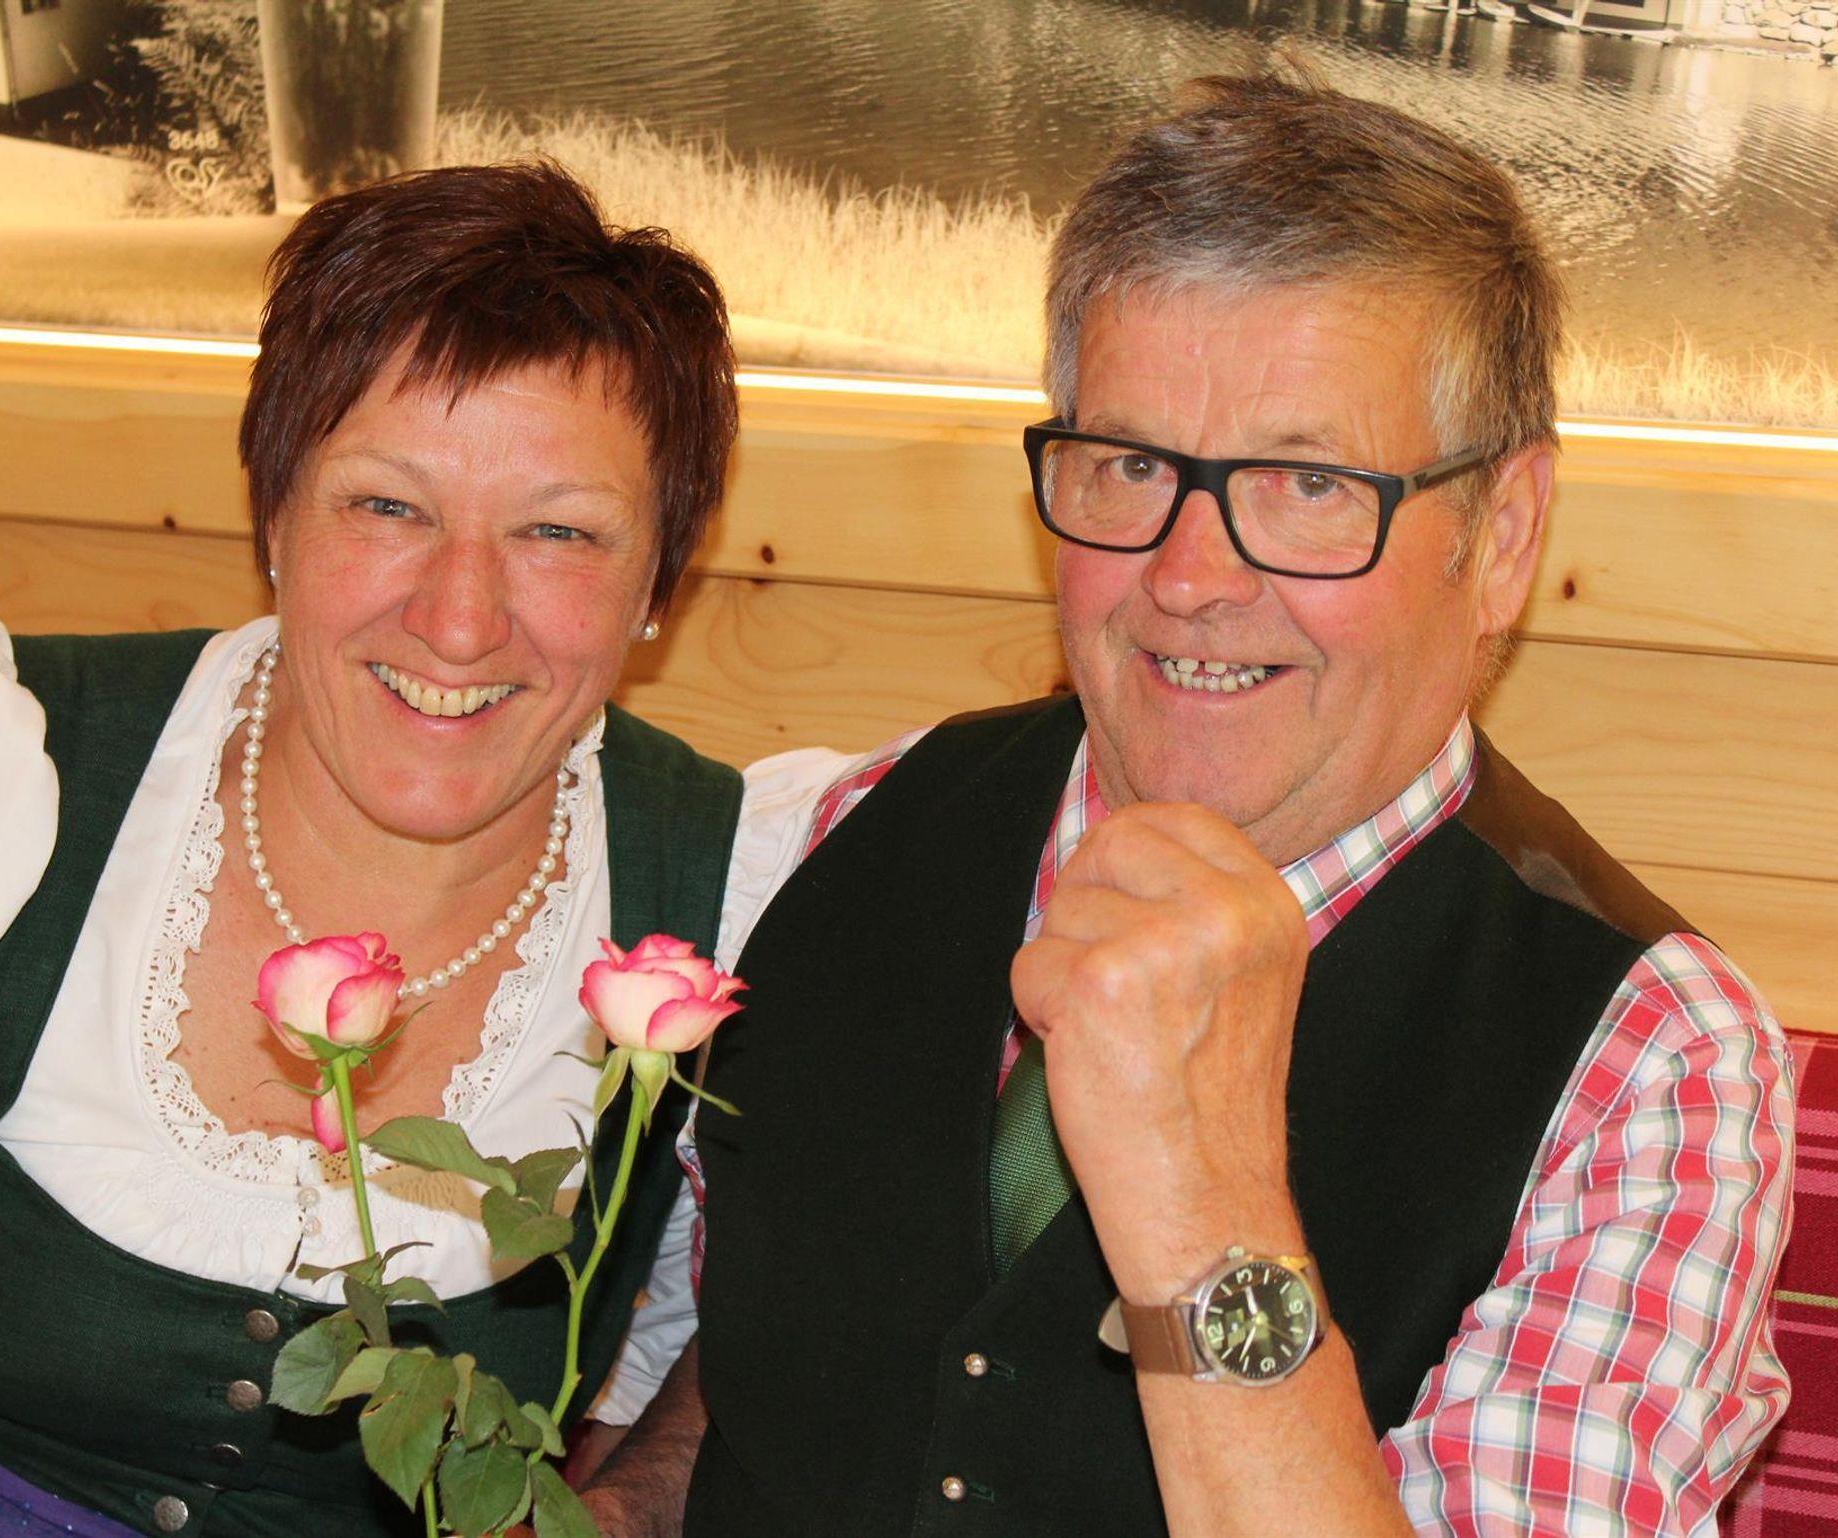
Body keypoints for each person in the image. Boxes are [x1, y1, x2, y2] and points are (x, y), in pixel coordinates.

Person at [653, 73, 1795, 1535]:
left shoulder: (1650, 1063)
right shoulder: (864, 819)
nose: (1191, 577)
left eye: (1308, 484)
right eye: (1132, 465)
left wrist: (1206, 1206)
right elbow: (743, 1367)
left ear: (1503, 539)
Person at [0, 163, 831, 1538]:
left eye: (558, 532)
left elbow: (727, 1376)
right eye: (388, 506)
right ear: (273, 513)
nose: (459, 618)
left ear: (660, 584)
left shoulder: (737, 896)